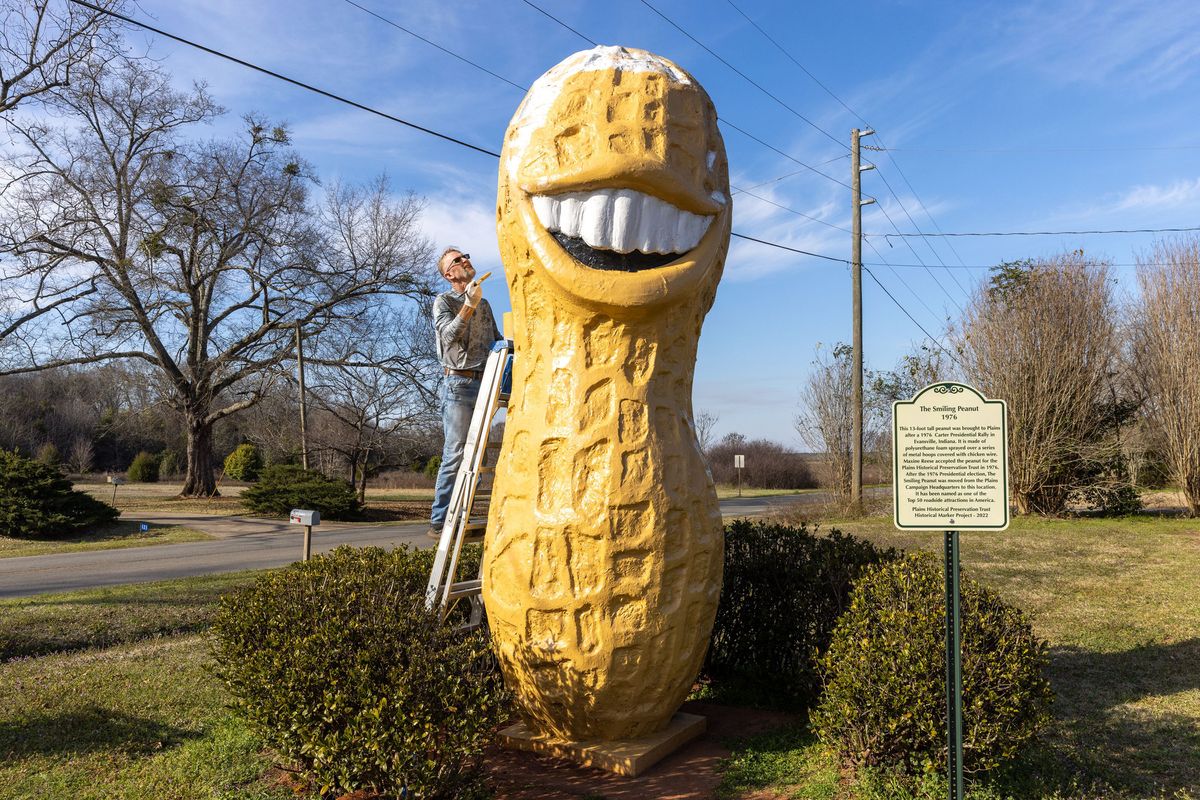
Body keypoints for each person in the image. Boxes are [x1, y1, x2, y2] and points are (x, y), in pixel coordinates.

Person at [429, 247, 501, 538]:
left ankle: (464, 517)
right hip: (458, 385)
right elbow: (448, 337)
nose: (465, 261)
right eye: (457, 260)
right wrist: (468, 304)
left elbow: (495, 339)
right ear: (449, 274)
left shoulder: (484, 304)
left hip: (485, 382)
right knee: (456, 453)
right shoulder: (443, 301)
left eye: (465, 256)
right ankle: (439, 521)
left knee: (478, 456)